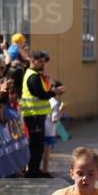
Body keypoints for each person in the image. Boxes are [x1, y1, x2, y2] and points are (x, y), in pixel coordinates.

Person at [20, 50, 66, 178]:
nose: (43, 64)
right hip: (33, 114)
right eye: (40, 61)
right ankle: (32, 171)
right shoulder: (32, 76)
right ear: (32, 61)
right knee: (36, 145)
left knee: (38, 144)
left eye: (43, 62)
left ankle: (35, 169)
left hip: (36, 114)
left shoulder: (34, 74)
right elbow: (40, 94)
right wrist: (54, 92)